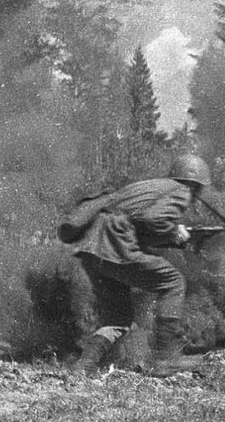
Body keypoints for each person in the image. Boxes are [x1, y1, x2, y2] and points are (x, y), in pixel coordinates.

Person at [69, 153, 211, 377]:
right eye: (200, 189)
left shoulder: (151, 188)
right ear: (195, 184)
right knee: (173, 282)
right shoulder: (180, 191)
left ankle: (84, 365)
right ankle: (163, 358)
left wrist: (175, 238)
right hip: (114, 244)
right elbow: (154, 221)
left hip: (93, 248)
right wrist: (175, 232)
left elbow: (140, 226)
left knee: (118, 318)